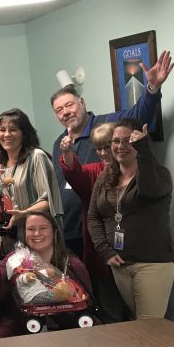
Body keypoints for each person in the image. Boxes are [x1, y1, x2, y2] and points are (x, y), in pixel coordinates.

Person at [50, 50, 173, 257]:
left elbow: (138, 115)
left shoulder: (108, 125)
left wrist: (152, 88)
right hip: (70, 231)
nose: (65, 112)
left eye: (69, 105)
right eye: (59, 110)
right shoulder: (59, 144)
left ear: (82, 103)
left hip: (106, 226)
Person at [0, 211, 92, 347]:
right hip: (21, 321)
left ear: (54, 232)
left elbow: (86, 298)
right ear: (24, 234)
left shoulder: (71, 263)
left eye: (43, 228)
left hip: (67, 322)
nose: (36, 234)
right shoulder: (15, 261)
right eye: (31, 229)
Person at [88, 120, 174, 319]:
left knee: (148, 327)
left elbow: (149, 190)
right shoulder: (105, 177)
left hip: (152, 264)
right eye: (116, 141)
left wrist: (143, 150)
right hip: (120, 265)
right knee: (137, 326)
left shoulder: (159, 174)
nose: (120, 147)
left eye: (128, 141)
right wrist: (104, 250)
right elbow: (94, 217)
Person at [59, 122, 128, 321]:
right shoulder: (93, 171)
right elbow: (75, 174)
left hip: (132, 249)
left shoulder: (131, 169)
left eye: (107, 146)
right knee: (110, 306)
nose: (103, 153)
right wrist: (67, 152)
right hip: (102, 250)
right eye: (98, 149)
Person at [0, 108, 63, 231]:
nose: (7, 134)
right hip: (9, 236)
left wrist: (24, 213)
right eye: (2, 130)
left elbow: (48, 200)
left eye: (13, 129)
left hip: (37, 233)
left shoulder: (36, 157)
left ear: (24, 133)